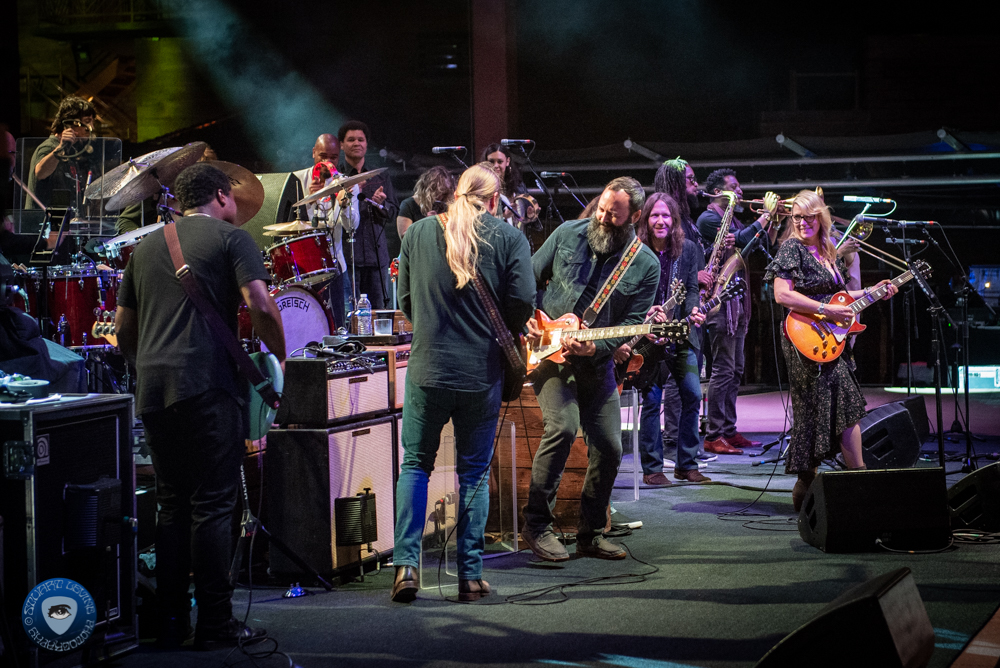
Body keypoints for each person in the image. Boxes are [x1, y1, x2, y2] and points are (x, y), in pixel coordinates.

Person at [115, 163, 286, 649]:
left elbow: (124, 326)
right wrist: (280, 357)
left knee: (172, 505)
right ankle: (214, 624)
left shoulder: (145, 245)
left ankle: (170, 622)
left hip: (153, 390)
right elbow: (259, 302)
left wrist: (146, 365)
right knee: (214, 505)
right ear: (220, 195)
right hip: (207, 386)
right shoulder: (233, 239)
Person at [392, 163, 533, 602]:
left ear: (457, 192)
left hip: (428, 370)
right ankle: (470, 576)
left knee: (416, 465)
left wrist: (434, 329)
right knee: (473, 473)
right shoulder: (509, 237)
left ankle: (406, 570)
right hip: (480, 373)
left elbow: (405, 302)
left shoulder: (416, 233)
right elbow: (524, 302)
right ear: (494, 199)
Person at [522, 176, 659, 561]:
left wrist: (595, 345)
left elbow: (632, 323)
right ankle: (536, 525)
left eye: (613, 215)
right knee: (562, 427)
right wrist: (529, 320)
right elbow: (527, 278)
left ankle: (591, 532)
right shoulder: (568, 232)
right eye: (601, 208)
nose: (601, 217)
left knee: (611, 448)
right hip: (547, 351)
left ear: (632, 217)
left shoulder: (645, 264)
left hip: (595, 363)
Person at [763, 189, 897, 511]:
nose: (801, 223)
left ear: (819, 217)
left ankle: (850, 481)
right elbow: (783, 295)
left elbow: (840, 297)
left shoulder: (828, 251)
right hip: (804, 342)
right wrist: (825, 311)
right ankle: (813, 483)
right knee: (813, 412)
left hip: (831, 342)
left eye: (807, 217)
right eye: (796, 217)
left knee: (845, 408)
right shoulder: (791, 249)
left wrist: (872, 291)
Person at [615, 194, 707, 485]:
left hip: (681, 334)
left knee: (693, 394)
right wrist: (645, 317)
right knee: (652, 401)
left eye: (666, 216)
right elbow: (626, 293)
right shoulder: (635, 250)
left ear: (674, 220)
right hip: (646, 339)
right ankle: (653, 469)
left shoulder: (688, 249)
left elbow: (692, 287)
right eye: (655, 215)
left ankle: (686, 464)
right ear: (645, 219)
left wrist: (693, 307)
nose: (660, 221)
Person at [697, 169, 779, 455]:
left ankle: (729, 431)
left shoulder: (734, 221)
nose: (741, 190)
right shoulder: (709, 219)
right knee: (723, 369)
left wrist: (773, 223)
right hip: (720, 303)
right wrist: (765, 216)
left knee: (737, 370)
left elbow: (757, 244)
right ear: (720, 192)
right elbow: (743, 238)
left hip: (738, 301)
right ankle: (714, 433)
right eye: (734, 187)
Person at [652, 156, 706, 461]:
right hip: (658, 326)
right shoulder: (663, 227)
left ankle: (687, 459)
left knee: (693, 391)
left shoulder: (686, 224)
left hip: (686, 322)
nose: (696, 185)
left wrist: (696, 302)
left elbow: (690, 280)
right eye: (690, 179)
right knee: (659, 392)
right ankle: (667, 447)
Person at [293, 133, 357, 330]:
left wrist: (344, 206)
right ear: (313, 153)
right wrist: (309, 201)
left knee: (340, 325)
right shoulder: (297, 180)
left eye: (333, 157)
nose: (328, 162)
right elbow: (287, 223)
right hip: (304, 267)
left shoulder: (345, 183)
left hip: (337, 265)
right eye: (323, 156)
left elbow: (352, 227)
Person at [338, 120, 398, 309]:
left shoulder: (380, 176)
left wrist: (380, 204)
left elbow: (393, 212)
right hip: (347, 260)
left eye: (361, 140)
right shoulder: (337, 177)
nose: (357, 143)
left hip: (376, 258)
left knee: (379, 314)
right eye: (351, 140)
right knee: (349, 317)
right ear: (341, 145)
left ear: (366, 144)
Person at [27, 96, 98, 211]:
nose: (91, 127)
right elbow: (40, 173)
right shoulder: (48, 147)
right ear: (69, 123)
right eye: (87, 121)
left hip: (61, 225)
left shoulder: (71, 152)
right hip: (43, 226)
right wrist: (60, 148)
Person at [396, 165, 456, 240]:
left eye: (444, 193)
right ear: (428, 189)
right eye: (437, 192)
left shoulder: (446, 203)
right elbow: (404, 237)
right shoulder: (409, 204)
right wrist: (426, 223)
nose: (440, 197)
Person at [482, 143, 527, 224]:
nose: (496, 165)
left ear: (507, 161)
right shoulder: (481, 187)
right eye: (491, 161)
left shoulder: (518, 186)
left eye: (500, 161)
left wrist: (531, 216)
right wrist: (503, 216)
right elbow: (480, 220)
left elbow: (524, 219)